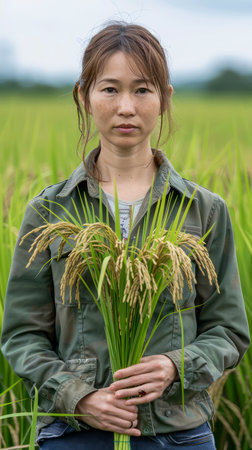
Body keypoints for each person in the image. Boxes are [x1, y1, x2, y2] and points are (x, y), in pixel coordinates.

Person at [1, 22, 250, 450]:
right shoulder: (50, 211)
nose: (127, 107)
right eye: (110, 89)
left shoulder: (205, 211)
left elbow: (228, 330)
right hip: (75, 435)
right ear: (84, 95)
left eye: (142, 90)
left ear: (165, 98)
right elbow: (21, 335)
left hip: (180, 434)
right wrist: (79, 399)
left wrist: (176, 366)